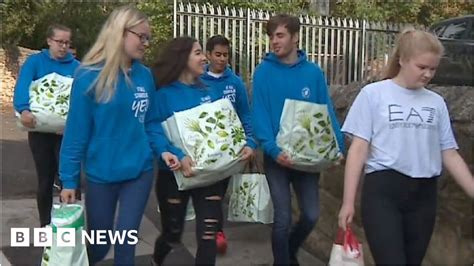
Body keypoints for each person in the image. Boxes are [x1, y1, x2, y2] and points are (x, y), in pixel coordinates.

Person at [337, 28, 474, 265]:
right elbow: (358, 149)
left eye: (433, 69)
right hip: (384, 191)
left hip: (424, 195)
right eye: (422, 67)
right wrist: (348, 202)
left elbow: (449, 153)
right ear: (402, 60)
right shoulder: (373, 94)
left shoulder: (436, 103)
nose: (428, 74)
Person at [59, 6, 179, 264]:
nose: (146, 43)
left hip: (139, 171)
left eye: (148, 38)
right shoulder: (88, 77)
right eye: (141, 36)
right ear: (120, 32)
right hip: (101, 174)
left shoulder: (145, 76)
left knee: (125, 242)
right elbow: (75, 134)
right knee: (99, 247)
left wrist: (164, 150)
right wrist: (68, 180)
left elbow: (152, 123)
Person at [251, 14, 345, 265]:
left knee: (312, 215)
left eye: (279, 35)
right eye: (271, 36)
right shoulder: (263, 73)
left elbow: (325, 112)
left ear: (296, 37)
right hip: (277, 157)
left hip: (307, 158)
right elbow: (259, 114)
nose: (274, 41)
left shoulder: (313, 73)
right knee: (282, 218)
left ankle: (289, 251)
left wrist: (338, 145)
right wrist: (271, 148)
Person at [152, 36, 236, 265]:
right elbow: (153, 128)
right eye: (198, 53)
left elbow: (221, 130)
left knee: (209, 235)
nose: (203, 58)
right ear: (182, 58)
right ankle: (156, 260)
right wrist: (176, 155)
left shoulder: (209, 91)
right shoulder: (162, 94)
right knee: (172, 234)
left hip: (209, 177)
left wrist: (241, 147)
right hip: (174, 176)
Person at [13, 23, 80, 228]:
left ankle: (67, 223)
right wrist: (23, 109)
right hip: (39, 131)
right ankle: (45, 225)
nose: (63, 46)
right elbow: (22, 86)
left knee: (68, 178)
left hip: (66, 134)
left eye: (67, 43)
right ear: (49, 41)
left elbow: (82, 98)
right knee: (45, 178)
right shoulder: (35, 62)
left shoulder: (77, 67)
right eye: (60, 42)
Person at [201, 35, 256, 254]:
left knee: (219, 192)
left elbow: (245, 115)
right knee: (208, 192)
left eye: (226, 55)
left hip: (229, 150)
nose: (222, 59)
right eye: (218, 54)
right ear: (208, 55)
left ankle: (215, 230)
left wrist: (250, 141)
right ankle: (213, 231)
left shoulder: (235, 83)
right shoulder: (198, 81)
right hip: (204, 149)